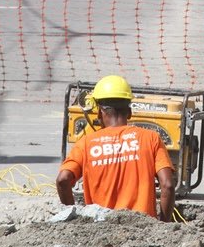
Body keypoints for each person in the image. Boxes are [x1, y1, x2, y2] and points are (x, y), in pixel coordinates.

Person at [56, 74, 176, 220]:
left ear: (100, 111)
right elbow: (168, 185)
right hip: (143, 227)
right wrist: (163, 225)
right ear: (130, 112)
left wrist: (75, 217)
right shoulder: (151, 138)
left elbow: (63, 180)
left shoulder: (86, 143)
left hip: (101, 228)